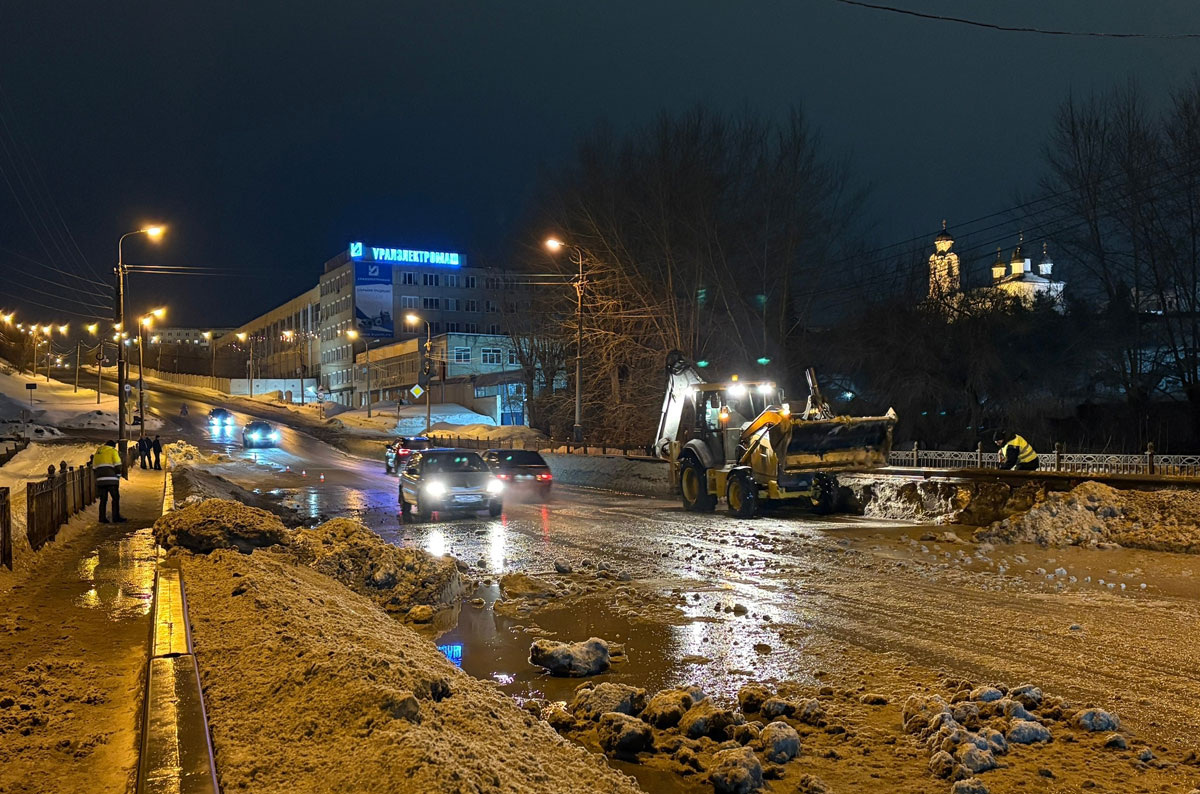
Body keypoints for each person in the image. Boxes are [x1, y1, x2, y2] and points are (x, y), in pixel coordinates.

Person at [92, 440, 125, 523]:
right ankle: (116, 517)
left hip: (100, 480)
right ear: (113, 446)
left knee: (103, 499)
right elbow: (118, 465)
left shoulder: (98, 452)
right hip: (111, 479)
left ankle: (102, 518)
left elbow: (94, 468)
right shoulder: (113, 451)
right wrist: (118, 475)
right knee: (115, 498)